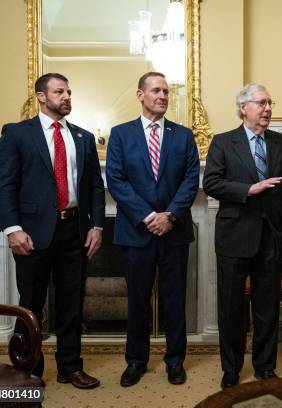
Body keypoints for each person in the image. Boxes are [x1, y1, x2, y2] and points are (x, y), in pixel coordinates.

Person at [0, 72, 105, 388]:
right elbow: (5, 185)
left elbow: (96, 187)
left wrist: (96, 225)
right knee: (30, 301)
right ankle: (28, 368)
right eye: (59, 91)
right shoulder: (17, 134)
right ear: (41, 96)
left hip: (74, 231)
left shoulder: (82, 137)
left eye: (69, 91)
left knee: (72, 302)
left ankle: (70, 367)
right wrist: (13, 229)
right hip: (32, 233)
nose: (67, 96)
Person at [106, 71, 200, 386]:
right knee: (137, 300)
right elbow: (116, 180)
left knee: (175, 300)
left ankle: (175, 361)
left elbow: (190, 180)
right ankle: (136, 361)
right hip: (136, 232)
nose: (162, 96)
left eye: (166, 91)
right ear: (140, 95)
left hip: (174, 231)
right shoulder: (120, 134)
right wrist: (148, 216)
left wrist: (170, 215)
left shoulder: (183, 135)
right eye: (156, 91)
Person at [203, 83, 282, 389]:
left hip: (270, 239)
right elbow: (212, 183)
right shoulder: (222, 142)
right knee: (230, 308)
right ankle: (231, 368)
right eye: (262, 103)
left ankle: (265, 366)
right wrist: (248, 190)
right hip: (233, 237)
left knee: (267, 307)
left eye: (270, 102)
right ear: (244, 107)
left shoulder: (281, 144)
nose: (268, 108)